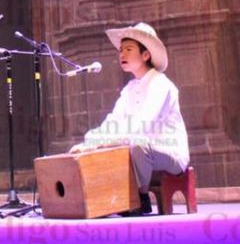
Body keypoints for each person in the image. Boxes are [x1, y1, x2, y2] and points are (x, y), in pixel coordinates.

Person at [70, 22, 189, 215]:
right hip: (138, 147)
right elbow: (113, 121)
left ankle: (139, 198)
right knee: (99, 139)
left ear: (145, 55)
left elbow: (142, 126)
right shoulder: (130, 88)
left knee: (137, 144)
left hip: (168, 150)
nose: (122, 54)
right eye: (120, 50)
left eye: (128, 49)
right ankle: (103, 198)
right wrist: (93, 140)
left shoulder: (161, 85)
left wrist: (103, 143)